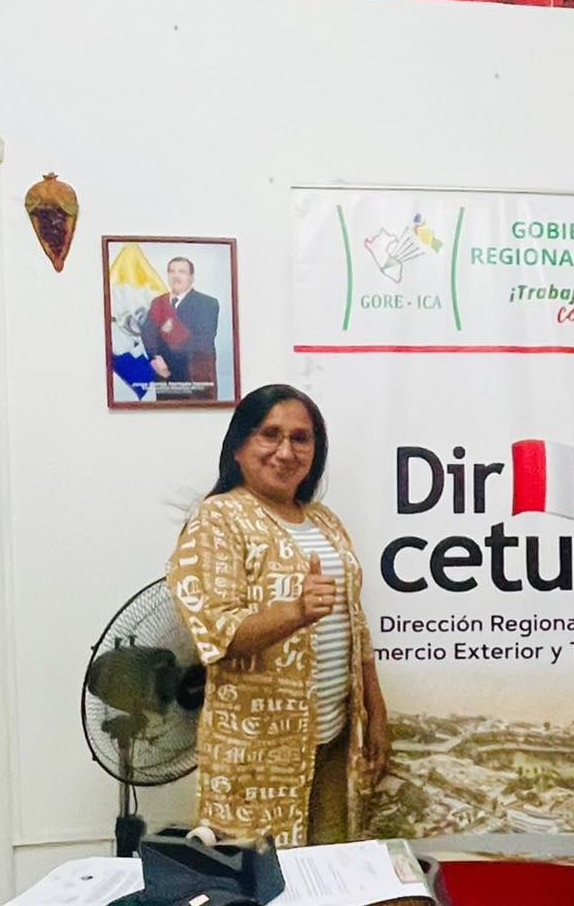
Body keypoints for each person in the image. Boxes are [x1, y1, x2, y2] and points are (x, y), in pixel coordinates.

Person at [168, 383, 390, 846]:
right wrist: (295, 612)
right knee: (265, 877)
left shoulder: (324, 520)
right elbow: (217, 633)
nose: (286, 451)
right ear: (239, 447)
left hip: (333, 739)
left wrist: (376, 710)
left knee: (328, 872)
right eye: (270, 435)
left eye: (300, 438)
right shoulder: (218, 519)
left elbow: (355, 624)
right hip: (257, 754)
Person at [142, 256, 220, 398]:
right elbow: (148, 334)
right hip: (165, 377)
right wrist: (155, 357)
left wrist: (170, 332)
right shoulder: (158, 303)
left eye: (182, 272)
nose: (176, 276)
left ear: (191, 277)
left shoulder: (208, 303)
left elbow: (204, 340)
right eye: (172, 271)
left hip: (195, 377)